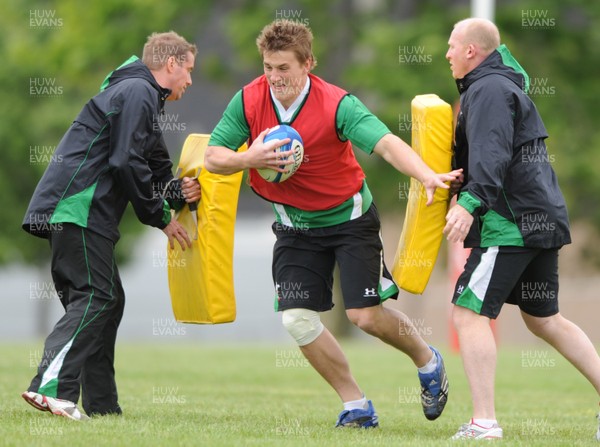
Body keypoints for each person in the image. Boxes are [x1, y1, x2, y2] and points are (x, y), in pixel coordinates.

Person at [205, 19, 459, 428]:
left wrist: (426, 175)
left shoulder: (337, 103)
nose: (274, 77)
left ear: (308, 64)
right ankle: (356, 405)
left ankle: (427, 361)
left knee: (366, 317)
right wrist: (249, 158)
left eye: (283, 68)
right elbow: (213, 156)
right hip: (294, 228)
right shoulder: (249, 100)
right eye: (268, 67)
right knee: (296, 319)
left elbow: (387, 144)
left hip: (349, 219)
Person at [21, 31, 200, 421]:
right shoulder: (138, 91)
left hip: (85, 216)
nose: (189, 81)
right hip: (78, 210)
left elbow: (151, 169)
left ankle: (102, 407)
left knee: (106, 300)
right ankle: (49, 386)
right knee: (95, 297)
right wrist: (161, 218)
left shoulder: (142, 98)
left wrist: (178, 193)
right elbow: (124, 162)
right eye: (188, 70)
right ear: (171, 64)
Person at [443, 18, 600, 440]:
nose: (447, 54)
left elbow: (492, 155)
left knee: (468, 312)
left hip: (509, 224)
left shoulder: (488, 89)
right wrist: (455, 184)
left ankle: (484, 423)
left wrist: (470, 204)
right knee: (544, 319)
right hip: (538, 217)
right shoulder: (496, 85)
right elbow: (496, 157)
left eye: (452, 46)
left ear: (472, 51)